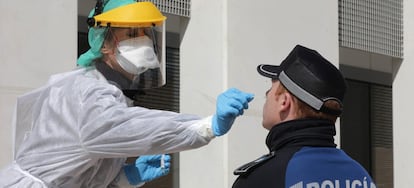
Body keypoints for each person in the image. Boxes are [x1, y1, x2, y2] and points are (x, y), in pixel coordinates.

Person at [0, 1, 254, 187]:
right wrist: (204, 126)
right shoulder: (88, 94)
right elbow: (124, 127)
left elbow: (81, 174)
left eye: (146, 32)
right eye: (132, 33)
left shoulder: (110, 93)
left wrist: (124, 177)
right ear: (106, 43)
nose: (143, 40)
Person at [232, 45, 376, 188]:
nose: (266, 94)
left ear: (284, 102)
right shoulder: (360, 175)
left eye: (271, 88)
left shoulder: (261, 178)